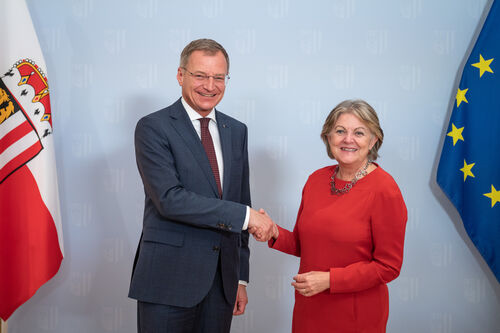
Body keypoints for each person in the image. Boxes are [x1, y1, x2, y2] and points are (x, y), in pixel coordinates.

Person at [128, 38, 274, 333]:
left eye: (218, 77)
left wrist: (240, 279)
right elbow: (170, 199)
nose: (210, 85)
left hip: (221, 284)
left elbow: (239, 198)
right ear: (181, 75)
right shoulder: (153, 127)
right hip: (167, 282)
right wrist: (248, 217)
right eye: (200, 75)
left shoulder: (236, 131)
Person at [265, 99, 407, 332]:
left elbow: (388, 266)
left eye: (359, 133)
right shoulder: (316, 180)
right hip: (309, 310)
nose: (347, 139)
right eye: (340, 131)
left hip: (356, 316)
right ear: (328, 137)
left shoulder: (385, 189)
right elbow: (305, 244)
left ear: (373, 140)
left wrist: (330, 280)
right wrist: (273, 232)